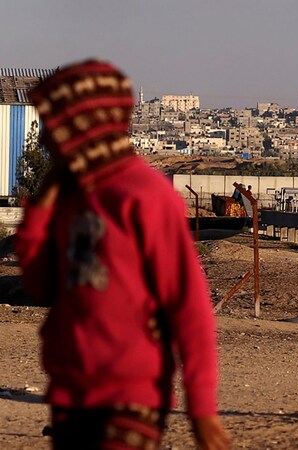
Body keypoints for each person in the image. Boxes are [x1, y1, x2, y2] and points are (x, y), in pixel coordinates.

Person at [15, 60, 230, 450]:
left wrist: (201, 408)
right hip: (70, 392)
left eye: (54, 127)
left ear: (84, 127)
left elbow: (189, 305)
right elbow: (39, 284)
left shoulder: (144, 194)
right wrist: (41, 208)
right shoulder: (69, 197)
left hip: (130, 394)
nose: (45, 141)